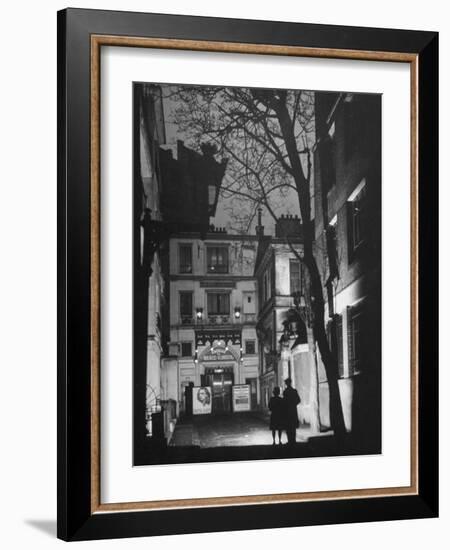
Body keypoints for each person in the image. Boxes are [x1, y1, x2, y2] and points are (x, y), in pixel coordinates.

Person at [283, 377, 301, 446]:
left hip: (287, 411)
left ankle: (290, 441)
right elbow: (298, 400)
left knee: (288, 427)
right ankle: (293, 441)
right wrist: (293, 404)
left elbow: (284, 402)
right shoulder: (294, 391)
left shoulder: (285, 392)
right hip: (293, 411)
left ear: (287, 383)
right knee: (293, 427)